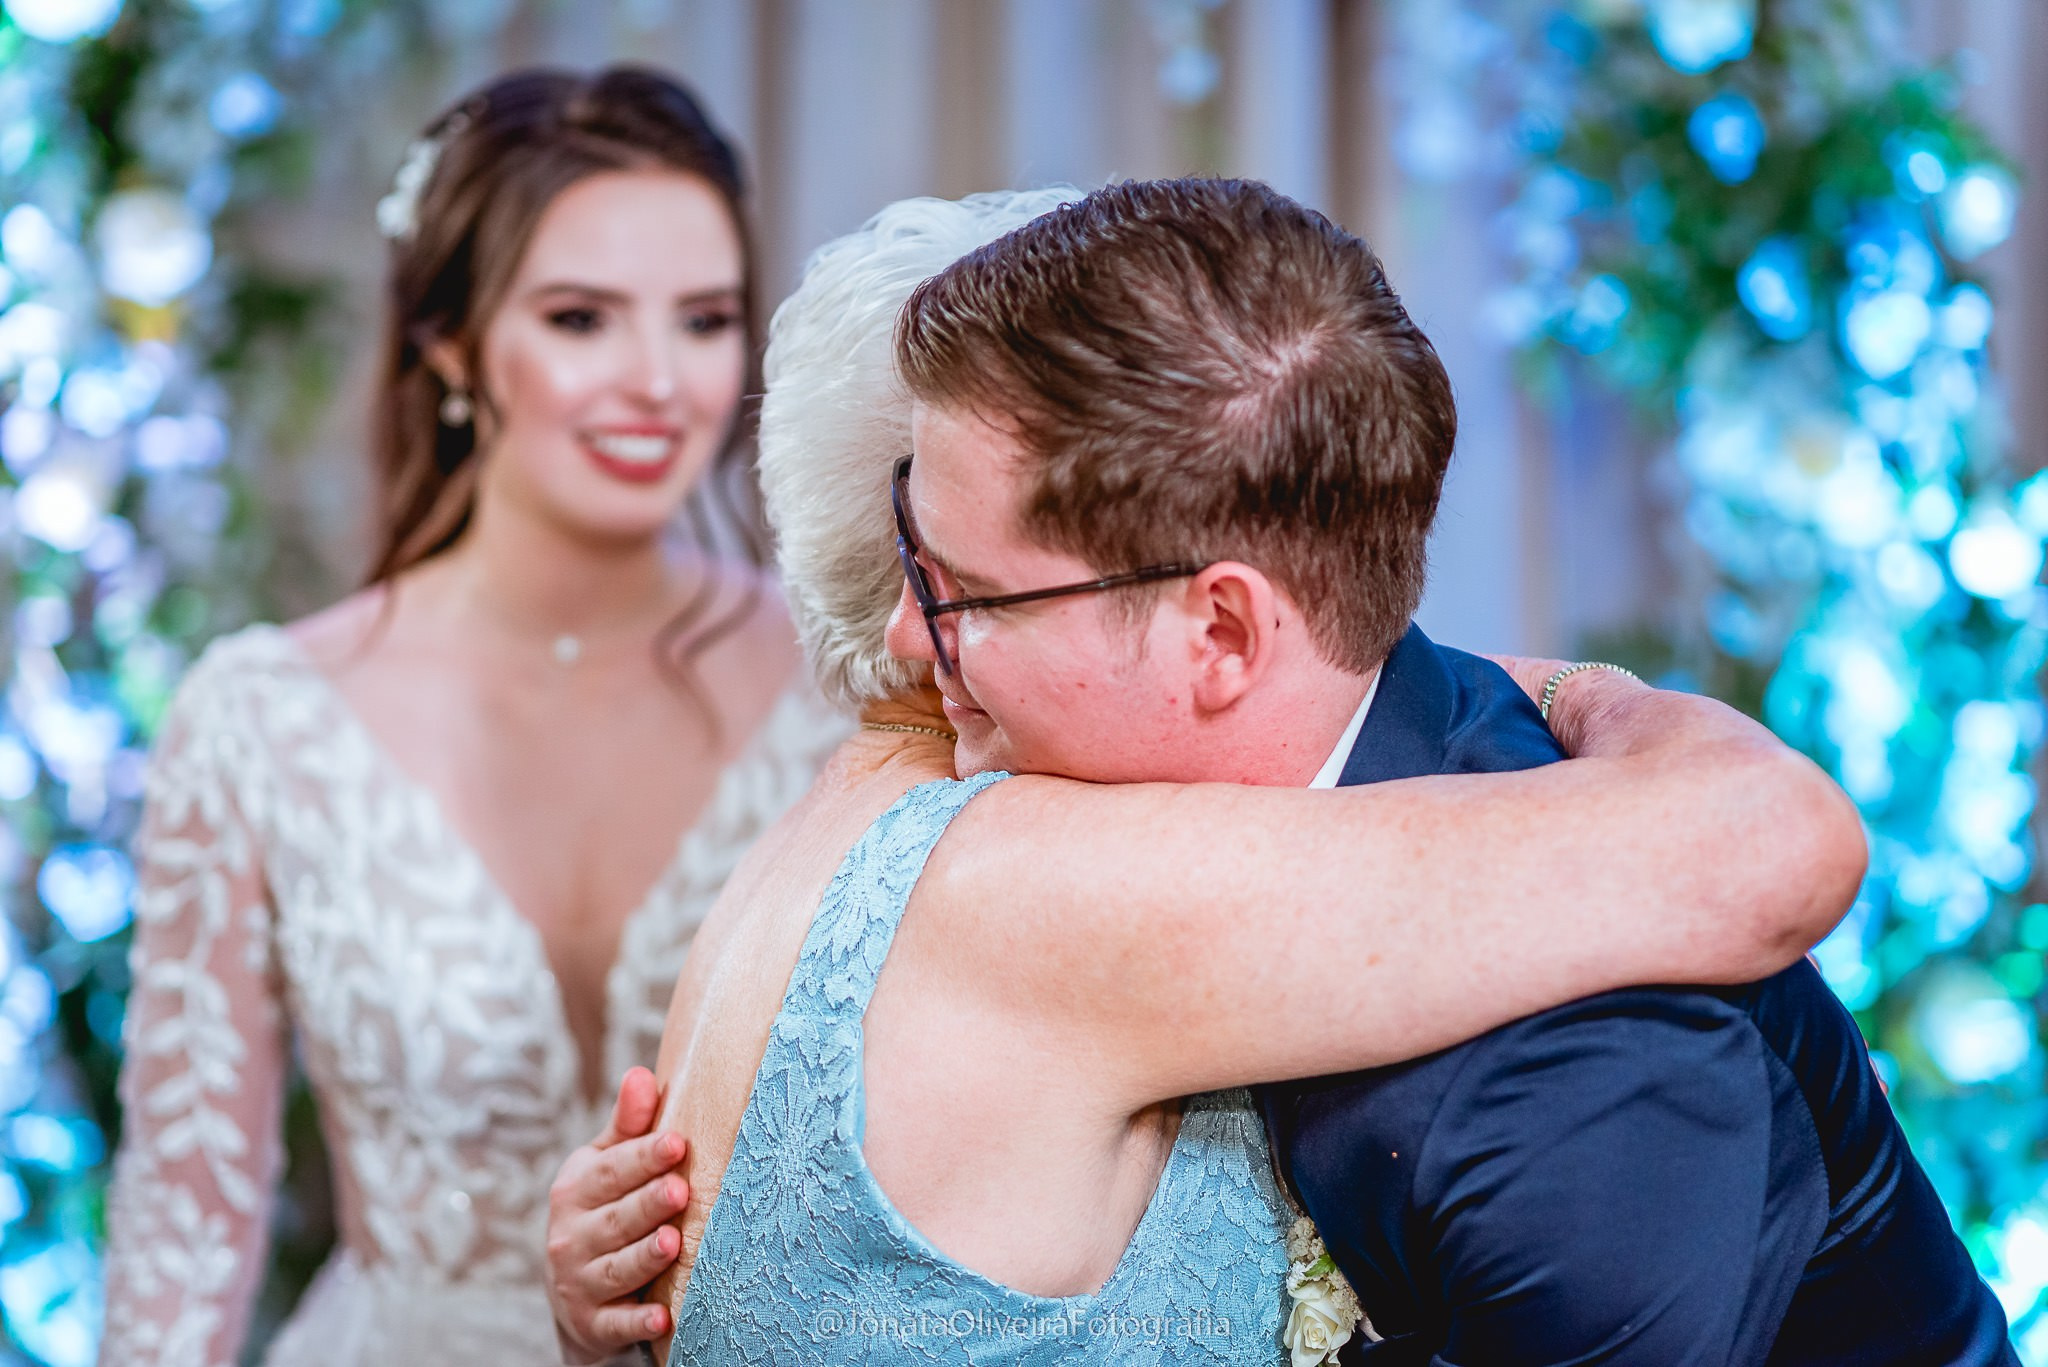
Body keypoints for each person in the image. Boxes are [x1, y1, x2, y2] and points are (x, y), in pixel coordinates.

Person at [540, 186, 1866, 1366]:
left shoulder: (848, 838)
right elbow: (1768, 835)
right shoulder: (1032, 877)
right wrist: (1599, 698)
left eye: (956, 590)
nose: (907, 634)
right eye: (911, 556)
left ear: (1227, 630)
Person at [100, 68, 843, 1367]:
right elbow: (185, 1223)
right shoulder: (259, 720)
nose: (658, 381)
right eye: (580, 318)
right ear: (449, 341)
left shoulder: (844, 685)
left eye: (705, 320)